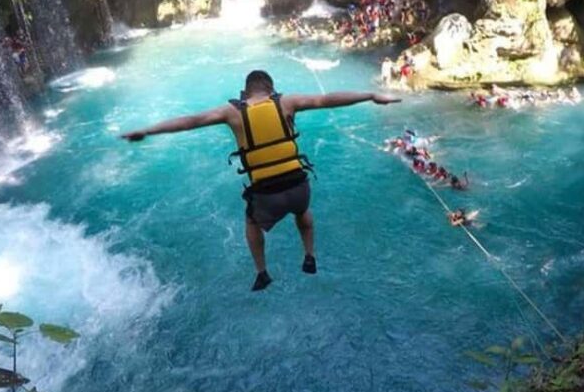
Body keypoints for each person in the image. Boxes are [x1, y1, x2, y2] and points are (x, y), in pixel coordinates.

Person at [121, 70, 401, 291]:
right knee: (302, 212)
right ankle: (309, 255)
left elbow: (190, 121)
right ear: (272, 89)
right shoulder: (287, 102)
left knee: (251, 223)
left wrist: (147, 130)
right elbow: (327, 100)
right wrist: (370, 95)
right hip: (297, 187)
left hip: (266, 194)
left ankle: (262, 273)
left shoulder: (231, 112)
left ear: (244, 93)